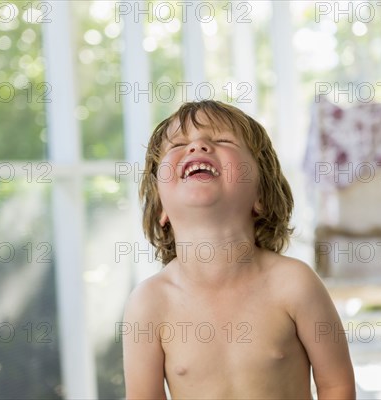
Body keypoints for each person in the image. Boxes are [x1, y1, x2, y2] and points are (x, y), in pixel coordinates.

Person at [123, 100, 355, 399]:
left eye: (222, 140)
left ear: (260, 194)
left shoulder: (294, 283)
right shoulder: (149, 303)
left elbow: (337, 386)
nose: (197, 146)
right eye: (178, 144)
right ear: (160, 207)